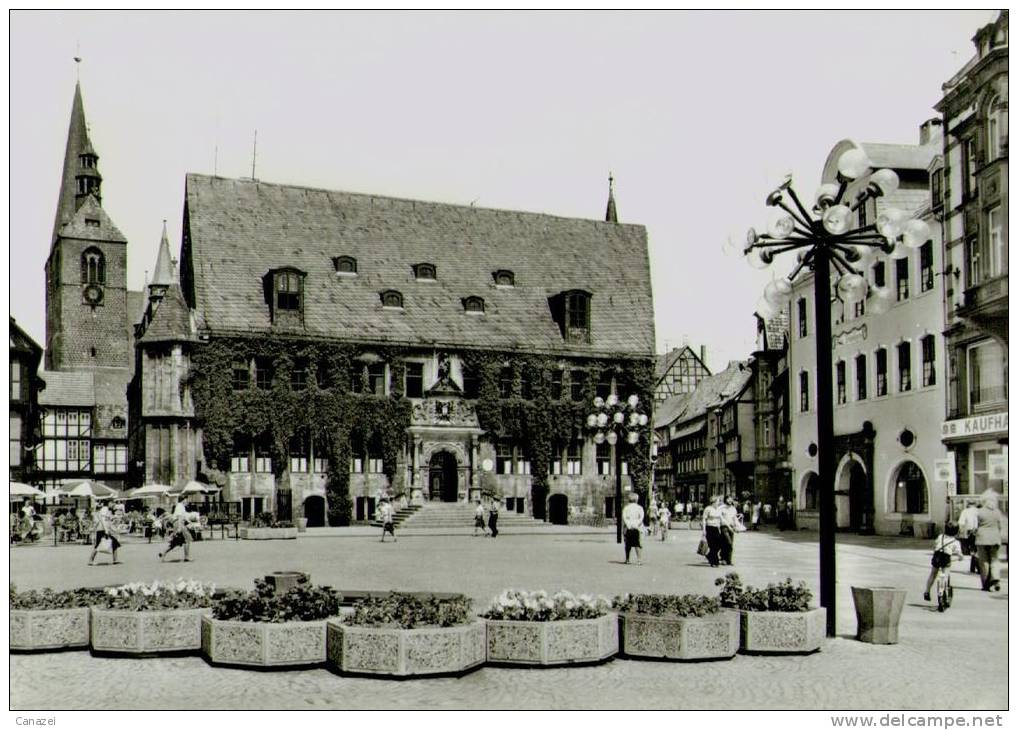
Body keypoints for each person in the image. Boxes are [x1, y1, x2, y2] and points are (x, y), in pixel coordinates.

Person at [923, 522, 963, 602]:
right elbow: (959, 553)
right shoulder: (956, 542)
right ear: (956, 532)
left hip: (937, 556)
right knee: (945, 574)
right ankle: (942, 590)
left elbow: (935, 544)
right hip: (946, 557)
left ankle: (927, 591)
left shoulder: (940, 536)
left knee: (933, 574)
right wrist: (960, 557)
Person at [973, 491, 1005, 592]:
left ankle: (986, 584)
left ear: (984, 501)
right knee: (994, 559)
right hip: (995, 539)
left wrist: (975, 532)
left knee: (984, 562)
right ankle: (995, 580)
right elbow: (1000, 526)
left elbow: (974, 526)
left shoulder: (979, 512)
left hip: (982, 539)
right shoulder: (997, 512)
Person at [160, 496, 193, 561]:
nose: (187, 502)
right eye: (186, 500)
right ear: (183, 500)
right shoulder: (181, 506)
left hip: (176, 524)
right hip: (179, 524)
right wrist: (180, 528)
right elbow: (180, 517)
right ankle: (187, 557)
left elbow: (182, 516)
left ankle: (163, 553)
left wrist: (189, 521)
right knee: (187, 539)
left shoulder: (179, 506)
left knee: (176, 541)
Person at [956, 499, 980, 573]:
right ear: (975, 504)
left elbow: (961, 523)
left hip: (970, 532)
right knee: (977, 550)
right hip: (979, 531)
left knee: (973, 550)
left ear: (969, 504)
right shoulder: (979, 511)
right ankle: (974, 567)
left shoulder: (965, 511)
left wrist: (962, 533)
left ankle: (975, 567)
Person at [701, 495, 724, 567]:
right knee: (712, 545)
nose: (719, 503)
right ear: (713, 502)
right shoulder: (708, 509)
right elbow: (704, 519)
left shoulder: (719, 509)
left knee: (719, 545)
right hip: (709, 528)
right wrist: (704, 530)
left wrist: (730, 526)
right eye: (718, 501)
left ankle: (709, 556)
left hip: (716, 528)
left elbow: (722, 519)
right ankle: (714, 562)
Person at [622, 492, 644, 564]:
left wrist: (628, 525)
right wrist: (637, 524)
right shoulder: (639, 508)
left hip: (628, 528)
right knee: (638, 544)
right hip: (637, 528)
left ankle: (627, 559)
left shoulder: (626, 508)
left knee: (627, 544)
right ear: (637, 499)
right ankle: (639, 560)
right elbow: (641, 517)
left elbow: (624, 517)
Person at [719, 495, 740, 566]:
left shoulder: (733, 509)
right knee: (728, 542)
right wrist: (728, 526)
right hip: (724, 527)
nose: (730, 501)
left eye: (731, 499)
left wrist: (738, 526)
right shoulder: (721, 508)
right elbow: (721, 519)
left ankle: (729, 560)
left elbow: (735, 519)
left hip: (731, 527)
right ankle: (724, 558)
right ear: (725, 500)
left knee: (730, 543)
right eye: (728, 499)